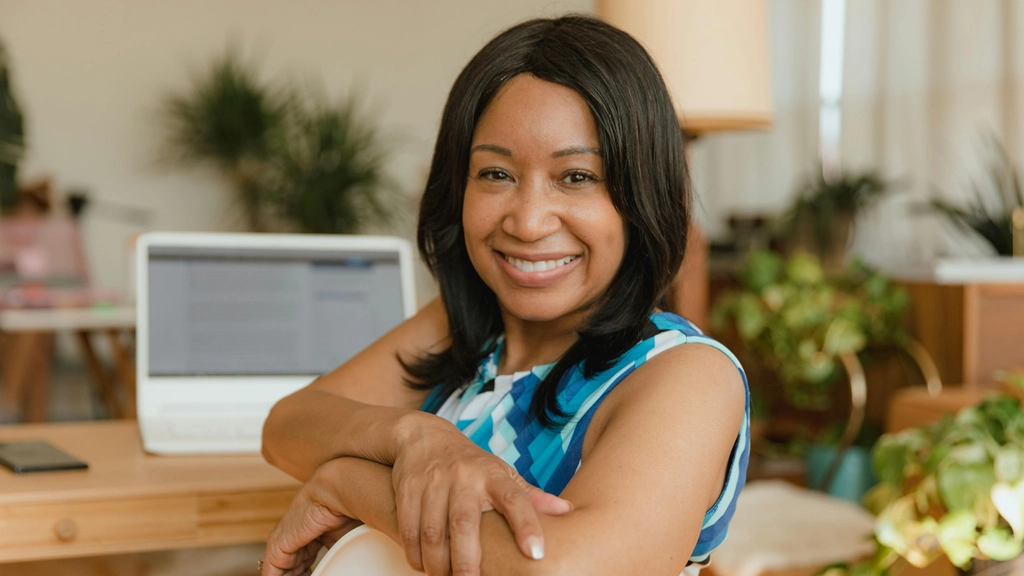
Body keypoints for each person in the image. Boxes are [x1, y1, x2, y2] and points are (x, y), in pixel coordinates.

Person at [260, 14, 748, 576]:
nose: (528, 222)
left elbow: (557, 570)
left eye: (577, 177)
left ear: (641, 193)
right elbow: (287, 427)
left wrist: (349, 484)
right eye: (496, 174)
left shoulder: (687, 373)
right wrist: (418, 439)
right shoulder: (466, 325)